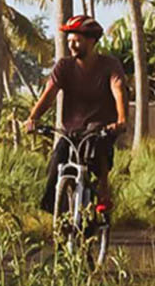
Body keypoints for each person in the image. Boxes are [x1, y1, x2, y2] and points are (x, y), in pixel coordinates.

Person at [22, 15, 128, 217]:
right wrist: (32, 118)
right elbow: (49, 95)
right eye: (69, 41)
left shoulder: (109, 65)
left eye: (77, 41)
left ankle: (103, 191)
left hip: (102, 127)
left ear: (92, 41)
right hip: (72, 130)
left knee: (99, 150)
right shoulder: (64, 67)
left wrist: (121, 120)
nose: (72, 45)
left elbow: (119, 90)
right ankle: (57, 214)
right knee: (57, 159)